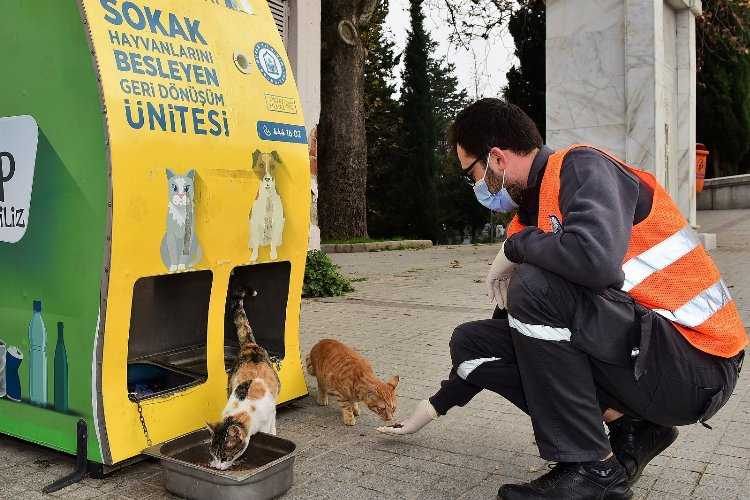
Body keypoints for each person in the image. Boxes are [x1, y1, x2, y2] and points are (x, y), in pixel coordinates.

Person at [377, 99, 747, 499]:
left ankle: (590, 468)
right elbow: (517, 331)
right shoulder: (528, 216)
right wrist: (434, 406)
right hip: (648, 355)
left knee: (534, 287)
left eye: (473, 173)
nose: (476, 187)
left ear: (497, 157)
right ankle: (633, 431)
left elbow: (595, 262)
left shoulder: (584, 168)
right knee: (473, 341)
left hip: (699, 364)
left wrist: (516, 249)